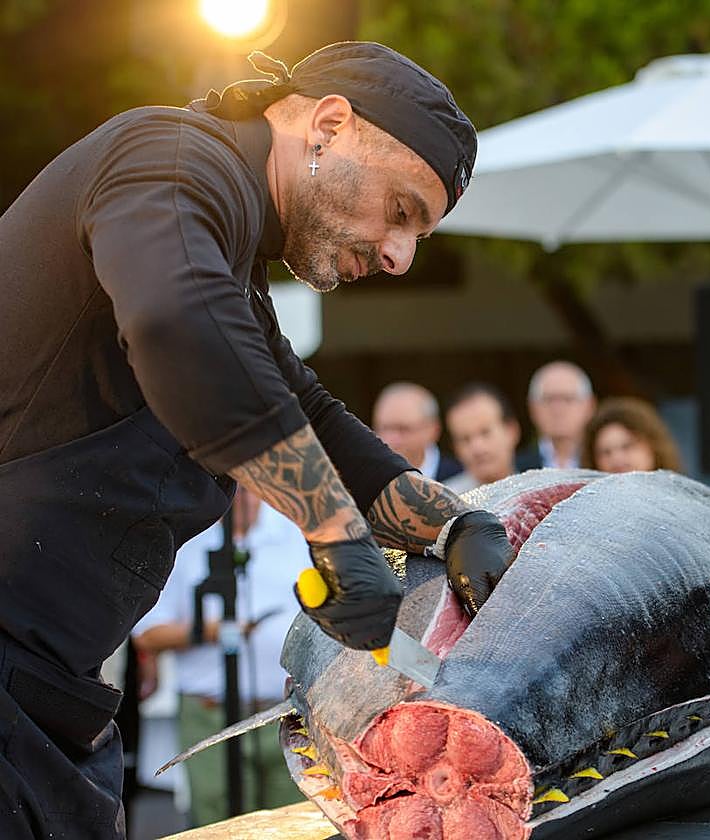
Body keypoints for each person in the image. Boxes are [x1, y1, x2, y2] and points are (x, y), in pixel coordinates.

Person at [0, 42, 514, 838]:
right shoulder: (165, 157)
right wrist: (335, 534)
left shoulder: (229, 257)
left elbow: (311, 417)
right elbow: (179, 326)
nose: (398, 255)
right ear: (330, 126)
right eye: (401, 211)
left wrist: (457, 524)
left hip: (46, 693)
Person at [133, 489, 306, 827]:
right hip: (210, 715)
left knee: (293, 823)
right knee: (219, 823)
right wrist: (211, 630)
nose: (242, 496)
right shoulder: (186, 543)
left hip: (286, 712)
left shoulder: (296, 535)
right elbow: (147, 633)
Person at [372, 381, 462, 482]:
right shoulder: (365, 480)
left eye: (403, 429)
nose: (391, 440)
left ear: (433, 430)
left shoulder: (460, 477)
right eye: (384, 428)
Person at [516, 361, 596, 471]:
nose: (558, 409)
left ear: (589, 406)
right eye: (549, 399)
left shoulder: (605, 464)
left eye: (568, 399)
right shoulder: (515, 469)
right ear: (532, 408)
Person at [444, 384, 522, 493]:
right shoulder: (444, 504)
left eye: (485, 433)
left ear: (512, 431)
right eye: (465, 439)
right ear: (455, 448)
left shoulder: (544, 493)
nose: (477, 448)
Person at [581, 397, 683, 474]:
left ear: (653, 446)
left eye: (627, 446)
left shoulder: (682, 498)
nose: (617, 458)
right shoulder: (583, 502)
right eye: (606, 452)